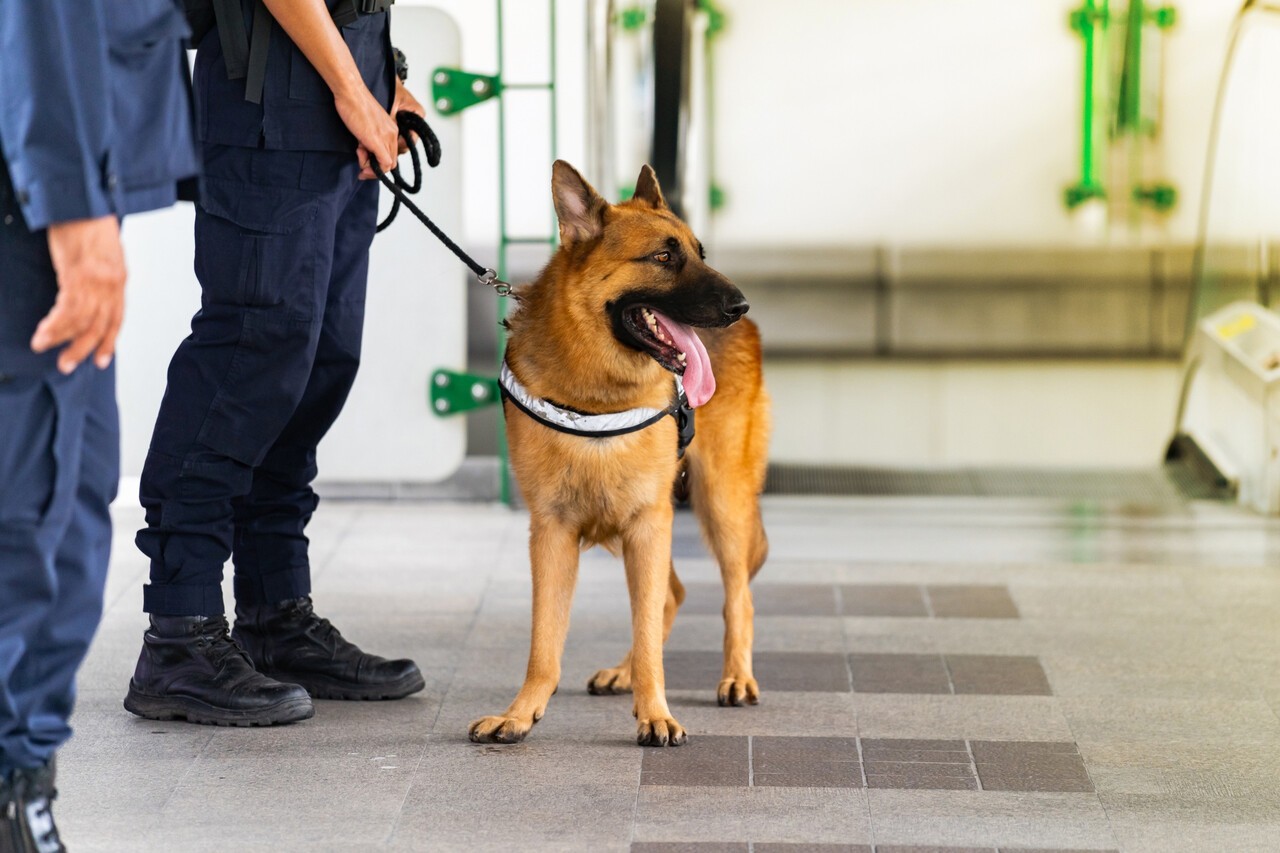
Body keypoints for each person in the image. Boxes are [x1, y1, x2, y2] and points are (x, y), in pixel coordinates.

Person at [124, 0, 428, 727]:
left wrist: (384, 76)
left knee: (319, 361)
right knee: (248, 357)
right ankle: (180, 631)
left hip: (342, 82)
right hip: (270, 96)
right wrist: (352, 89)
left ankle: (276, 613)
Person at [0, 2, 200, 848]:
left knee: (70, 498)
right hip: (39, 184)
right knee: (36, 516)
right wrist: (73, 205)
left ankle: (21, 784)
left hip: (57, 167)